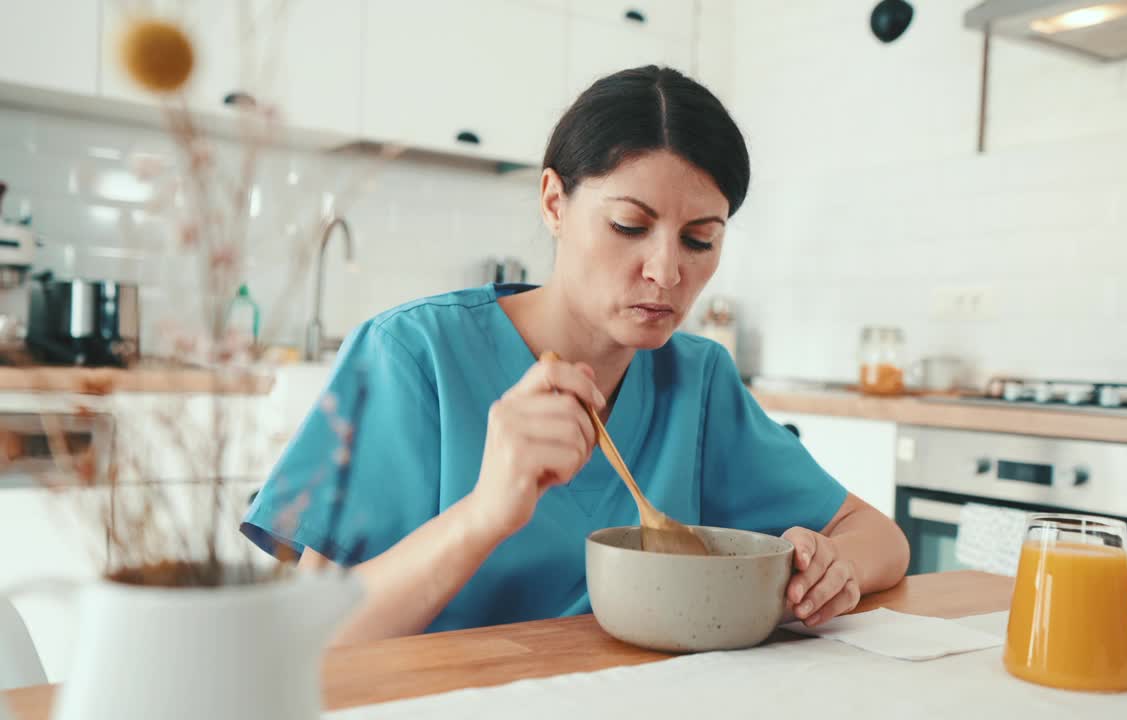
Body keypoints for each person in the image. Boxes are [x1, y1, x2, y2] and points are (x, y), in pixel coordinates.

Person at [242, 65, 909, 645]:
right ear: (554, 201)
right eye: (630, 226)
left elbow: (880, 537)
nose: (666, 271)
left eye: (700, 240)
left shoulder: (697, 381)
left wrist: (833, 567)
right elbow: (310, 633)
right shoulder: (412, 356)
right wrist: (486, 513)